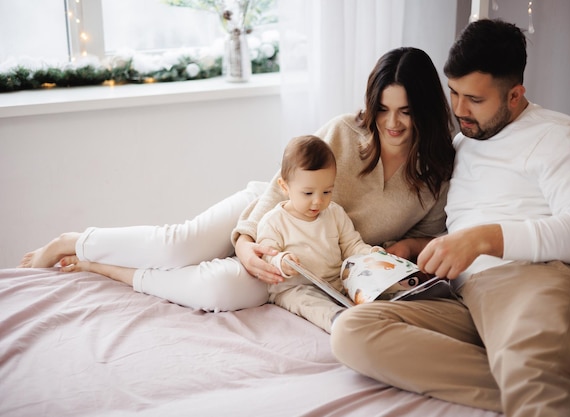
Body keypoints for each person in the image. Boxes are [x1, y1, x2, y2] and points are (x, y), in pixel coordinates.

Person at [19, 47, 456, 315]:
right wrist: (245, 242)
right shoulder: (345, 131)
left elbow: (427, 235)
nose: (392, 123)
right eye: (383, 108)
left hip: (300, 259)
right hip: (264, 214)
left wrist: (404, 249)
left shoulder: (435, 171)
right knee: (175, 246)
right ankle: (70, 241)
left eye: (405, 111)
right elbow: (276, 186)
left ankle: (100, 267)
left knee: (217, 289)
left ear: (425, 109)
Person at [330, 19, 570, 417]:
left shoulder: (561, 136)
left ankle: (548, 385)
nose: (460, 110)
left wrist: (482, 240)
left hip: (540, 277)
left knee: (532, 370)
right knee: (353, 332)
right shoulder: (461, 146)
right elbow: (461, 231)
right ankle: (566, 383)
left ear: (515, 95)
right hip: (465, 293)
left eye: (475, 100)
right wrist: (418, 247)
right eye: (454, 93)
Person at [257, 135, 381, 333]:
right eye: (308, 193)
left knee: (365, 289)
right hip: (296, 287)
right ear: (284, 187)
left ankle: (386, 309)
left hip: (336, 282)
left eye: (326, 192)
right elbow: (266, 254)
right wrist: (282, 261)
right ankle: (339, 321)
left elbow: (351, 245)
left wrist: (370, 254)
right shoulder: (273, 221)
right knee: (306, 302)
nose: (318, 202)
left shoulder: (335, 213)